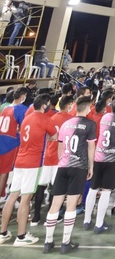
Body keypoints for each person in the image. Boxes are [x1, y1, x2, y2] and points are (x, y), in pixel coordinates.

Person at [0, 94, 56, 246]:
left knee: (12, 196)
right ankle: (21, 236)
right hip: (33, 163)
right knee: (25, 199)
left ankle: (3, 233)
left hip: (20, 161)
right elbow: (54, 136)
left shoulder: (27, 118)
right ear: (44, 105)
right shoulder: (45, 119)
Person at [42, 96, 96, 254]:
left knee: (55, 204)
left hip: (63, 165)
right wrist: (90, 166)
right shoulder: (89, 124)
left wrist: (61, 161)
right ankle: (65, 242)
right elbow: (91, 147)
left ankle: (48, 241)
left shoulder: (66, 123)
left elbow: (60, 145)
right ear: (87, 108)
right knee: (71, 205)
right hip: (78, 166)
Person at [83, 98, 115, 234]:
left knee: (93, 189)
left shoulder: (105, 117)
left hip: (99, 156)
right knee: (106, 191)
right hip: (113, 159)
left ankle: (87, 220)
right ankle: (99, 224)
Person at [31, 96, 74, 226]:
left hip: (47, 155)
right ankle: (52, 214)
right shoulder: (70, 120)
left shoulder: (51, 118)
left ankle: (36, 216)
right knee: (56, 188)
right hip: (60, 157)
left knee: (41, 185)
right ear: (68, 106)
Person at [0, 88, 28, 202]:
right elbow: (25, 127)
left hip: (2, 140)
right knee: (6, 173)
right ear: (22, 96)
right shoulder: (21, 109)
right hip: (12, 144)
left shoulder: (5, 108)